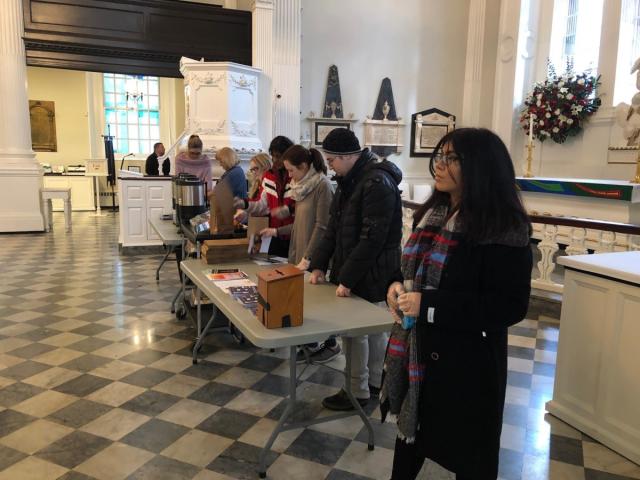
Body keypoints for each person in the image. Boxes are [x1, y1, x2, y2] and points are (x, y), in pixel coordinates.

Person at [383, 128, 533, 480]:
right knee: (409, 448)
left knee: (470, 458)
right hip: (420, 358)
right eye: (440, 156)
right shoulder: (433, 213)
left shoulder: (503, 228)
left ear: (481, 167)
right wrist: (394, 284)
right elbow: (408, 269)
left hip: (467, 368)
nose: (439, 165)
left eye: (451, 159)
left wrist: (430, 306)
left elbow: (510, 306)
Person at [308, 128, 403, 409]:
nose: (329, 166)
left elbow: (372, 239)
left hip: (373, 270)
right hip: (357, 267)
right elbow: (334, 229)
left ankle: (358, 389)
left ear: (349, 156)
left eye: (332, 160)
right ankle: (374, 383)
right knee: (367, 331)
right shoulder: (350, 181)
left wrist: (346, 279)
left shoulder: (376, 183)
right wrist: (318, 265)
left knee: (360, 332)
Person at [260, 144, 333, 270]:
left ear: (303, 166)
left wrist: (307, 258)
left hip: (313, 259)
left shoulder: (322, 186)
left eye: (291, 170)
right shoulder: (301, 188)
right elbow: (300, 224)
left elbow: (322, 226)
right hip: (299, 255)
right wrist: (276, 231)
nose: (289, 175)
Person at [235, 136, 294, 258]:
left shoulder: (295, 177)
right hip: (273, 234)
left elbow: (300, 207)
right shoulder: (269, 176)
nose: (275, 160)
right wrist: (244, 204)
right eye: (273, 156)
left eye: (279, 156)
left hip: (293, 234)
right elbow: (262, 204)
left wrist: (288, 210)